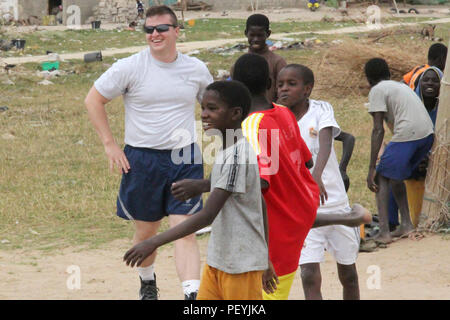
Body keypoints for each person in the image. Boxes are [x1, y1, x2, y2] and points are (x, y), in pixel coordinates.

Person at [171, 54, 371, 300]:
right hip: (300, 208)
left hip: (278, 229)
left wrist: (202, 185)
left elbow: (258, 182)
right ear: (269, 83)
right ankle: (346, 218)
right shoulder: (283, 112)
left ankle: (345, 218)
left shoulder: (252, 126)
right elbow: (306, 160)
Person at [84, 5, 213, 300]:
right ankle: (147, 283)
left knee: (185, 230)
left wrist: (221, 134)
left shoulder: (195, 68)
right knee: (147, 234)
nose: (154, 34)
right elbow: (93, 100)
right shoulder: (130, 67)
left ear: (176, 31)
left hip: (185, 158)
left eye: (161, 29)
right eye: (149, 30)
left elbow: (212, 106)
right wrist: (110, 144)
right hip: (142, 159)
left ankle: (192, 296)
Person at [124, 80, 273, 300]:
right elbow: (253, 198)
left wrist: (154, 241)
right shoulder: (227, 147)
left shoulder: (238, 156)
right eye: (203, 108)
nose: (204, 114)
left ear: (235, 113)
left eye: (212, 109)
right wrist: (203, 185)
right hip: (219, 260)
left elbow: (207, 215)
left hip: (240, 266)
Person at [277, 64, 361, 300]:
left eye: (291, 84)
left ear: (307, 89)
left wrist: (315, 177)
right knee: (309, 274)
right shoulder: (276, 118)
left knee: (349, 274)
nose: (284, 89)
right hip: (303, 211)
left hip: (336, 204)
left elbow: (325, 143)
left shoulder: (321, 109)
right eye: (280, 84)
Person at [364, 58, 434, 244]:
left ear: (368, 79)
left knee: (380, 177)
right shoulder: (399, 86)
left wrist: (372, 168)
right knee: (395, 177)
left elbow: (377, 129)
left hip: (409, 133)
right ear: (388, 74)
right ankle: (406, 224)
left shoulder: (377, 90)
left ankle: (385, 232)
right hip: (426, 134)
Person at [388, 66, 443, 229]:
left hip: (441, 161)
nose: (430, 83)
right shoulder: (409, 109)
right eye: (426, 80)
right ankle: (393, 223)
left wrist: (433, 157)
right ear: (419, 85)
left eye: (435, 80)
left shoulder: (444, 111)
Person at [230, 14, 287, 103]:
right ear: (246, 33)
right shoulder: (239, 64)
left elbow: (283, 93)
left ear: (268, 34)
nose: (256, 39)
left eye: (260, 35)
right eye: (252, 35)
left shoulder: (277, 62)